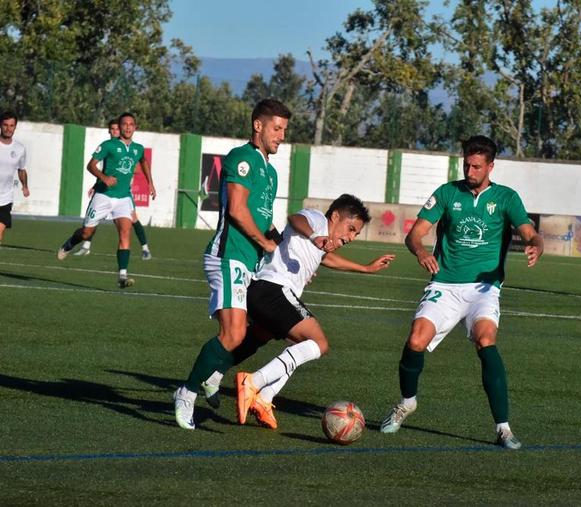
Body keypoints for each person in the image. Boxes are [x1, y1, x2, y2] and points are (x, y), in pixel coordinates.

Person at [378, 135, 543, 450]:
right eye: (467, 164)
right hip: (444, 284)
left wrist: (536, 247)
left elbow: (531, 234)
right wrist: (421, 252)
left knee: (486, 340)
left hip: (484, 289)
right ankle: (407, 402)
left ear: (490, 166)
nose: (470, 170)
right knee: (415, 340)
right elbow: (415, 235)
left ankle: (503, 428)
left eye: (477, 166)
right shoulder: (446, 193)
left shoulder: (507, 198)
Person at [173, 98, 291, 430]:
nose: (281, 135)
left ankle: (213, 372)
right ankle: (186, 393)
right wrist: (265, 242)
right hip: (228, 256)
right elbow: (238, 211)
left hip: (252, 263)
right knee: (234, 332)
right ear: (258, 126)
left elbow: (262, 219)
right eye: (277, 128)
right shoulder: (241, 158)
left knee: (265, 329)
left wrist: (281, 242)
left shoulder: (270, 171)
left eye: (284, 130)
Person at [235, 195, 395, 429]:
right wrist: (314, 235)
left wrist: (366, 268)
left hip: (268, 291)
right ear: (336, 216)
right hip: (273, 290)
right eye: (350, 229)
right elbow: (295, 219)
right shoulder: (317, 220)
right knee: (318, 344)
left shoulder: (321, 242)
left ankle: (264, 398)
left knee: (298, 345)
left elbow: (328, 258)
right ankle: (253, 382)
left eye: (356, 234)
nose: (351, 237)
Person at [56, 112, 156, 287]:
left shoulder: (138, 148)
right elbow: (91, 165)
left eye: (131, 124)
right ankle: (70, 243)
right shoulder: (108, 145)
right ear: (120, 126)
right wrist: (104, 178)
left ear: (135, 127)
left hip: (123, 198)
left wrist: (150, 183)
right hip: (103, 196)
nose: (127, 127)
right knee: (87, 232)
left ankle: (122, 276)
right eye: (124, 124)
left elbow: (144, 161)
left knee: (126, 232)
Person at [74, 119, 152, 259]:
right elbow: (104, 171)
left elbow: (138, 167)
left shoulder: (129, 149)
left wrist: (126, 171)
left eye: (117, 128)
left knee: (133, 219)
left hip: (122, 192)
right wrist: (97, 184)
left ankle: (145, 248)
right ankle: (86, 246)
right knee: (93, 218)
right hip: (106, 189)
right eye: (113, 129)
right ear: (109, 131)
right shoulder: (109, 147)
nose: (116, 131)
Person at [0, 112, 30, 246]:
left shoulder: (20, 148)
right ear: (1, 125)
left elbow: (21, 169)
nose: (8, 128)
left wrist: (24, 186)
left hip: (5, 197)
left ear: (15, 127)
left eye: (11, 125)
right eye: (5, 125)